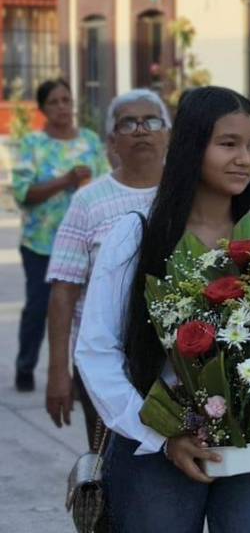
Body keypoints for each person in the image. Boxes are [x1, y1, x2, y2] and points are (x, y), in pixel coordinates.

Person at [75, 86, 250, 531]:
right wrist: (158, 436)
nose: (244, 159)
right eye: (228, 144)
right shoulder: (137, 236)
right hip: (159, 449)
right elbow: (96, 348)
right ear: (191, 146)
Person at [44, 89, 170, 449]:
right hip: (105, 365)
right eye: (128, 123)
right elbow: (64, 291)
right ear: (112, 141)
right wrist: (58, 371)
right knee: (109, 463)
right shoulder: (88, 201)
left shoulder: (190, 194)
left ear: (168, 134)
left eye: (151, 121)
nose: (141, 130)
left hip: (179, 364)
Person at [11, 79, 110, 392]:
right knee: (39, 308)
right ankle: (25, 366)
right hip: (42, 244)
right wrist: (65, 180)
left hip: (85, 243)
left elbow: (106, 183)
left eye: (66, 100)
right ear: (42, 108)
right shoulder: (33, 144)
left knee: (86, 312)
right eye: (54, 102)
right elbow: (23, 193)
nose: (62, 107)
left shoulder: (90, 140)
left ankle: (82, 377)